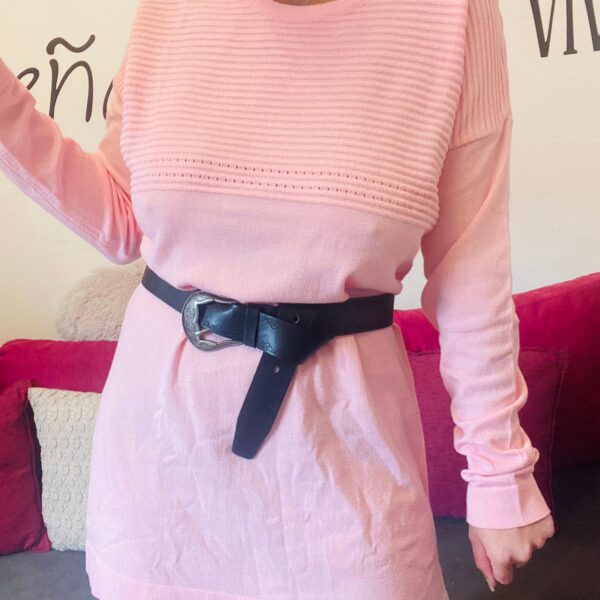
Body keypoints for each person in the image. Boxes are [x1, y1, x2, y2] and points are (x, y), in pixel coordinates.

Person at [0, 0, 556, 598]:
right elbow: (122, 218)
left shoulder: (453, 15)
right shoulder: (169, 11)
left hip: (349, 474)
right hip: (159, 479)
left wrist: (499, 470)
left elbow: (471, 269)